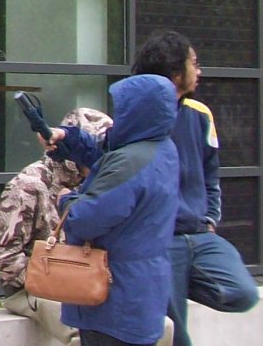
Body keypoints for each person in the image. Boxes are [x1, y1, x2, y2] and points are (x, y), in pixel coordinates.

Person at [53, 32, 260, 345]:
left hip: (195, 234)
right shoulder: (138, 131)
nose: (200, 70)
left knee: (241, 292)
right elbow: (106, 159)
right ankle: (165, 283)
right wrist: (66, 140)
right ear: (176, 73)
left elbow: (210, 171)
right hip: (159, 241)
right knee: (174, 331)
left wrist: (210, 218)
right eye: (195, 63)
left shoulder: (196, 117)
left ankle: (166, 282)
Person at [51, 74, 181, 346]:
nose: (116, 116)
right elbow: (108, 158)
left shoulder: (129, 163)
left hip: (113, 300)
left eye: (122, 109)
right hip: (141, 293)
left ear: (137, 111)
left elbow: (86, 220)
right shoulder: (162, 149)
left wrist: (66, 200)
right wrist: (68, 138)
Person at [0, 107, 132, 345]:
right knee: (83, 334)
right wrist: (57, 278)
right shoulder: (29, 185)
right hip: (33, 286)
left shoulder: (101, 184)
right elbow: (3, 255)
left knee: (158, 328)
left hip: (90, 279)